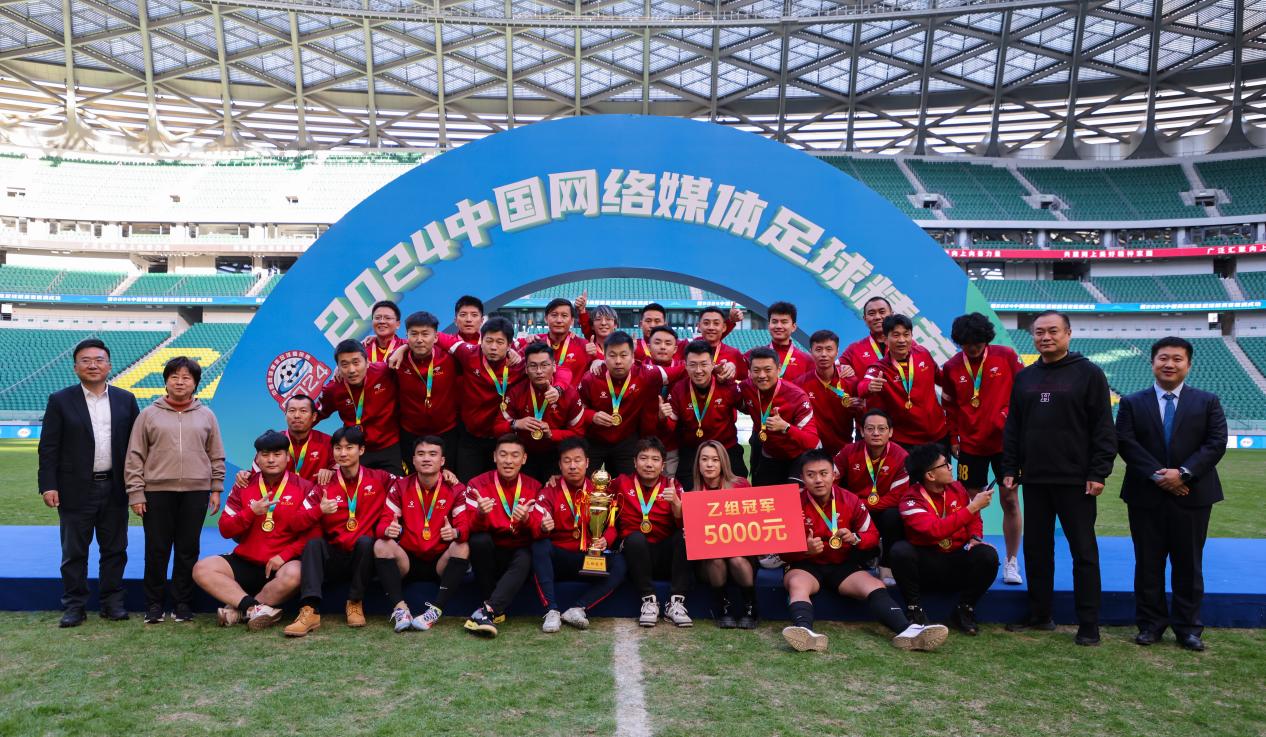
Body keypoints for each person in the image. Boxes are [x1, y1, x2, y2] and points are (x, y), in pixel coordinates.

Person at [1003, 310, 1116, 646]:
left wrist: (1098, 471)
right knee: (1037, 550)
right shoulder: (1025, 377)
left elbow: (1103, 428)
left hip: (1076, 481)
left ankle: (1089, 624)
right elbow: (1014, 427)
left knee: (1084, 552)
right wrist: (1010, 467)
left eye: (1053, 331)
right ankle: (1040, 615)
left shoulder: (1089, 374)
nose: (1046, 337)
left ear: (1068, 333)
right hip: (1035, 479)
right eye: (1039, 332)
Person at [1115, 336, 1227, 651]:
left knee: (1188, 564)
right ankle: (1150, 625)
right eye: (1163, 358)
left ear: (1188, 365)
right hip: (1145, 496)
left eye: (1177, 359)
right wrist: (1159, 475)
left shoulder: (1207, 401)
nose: (1169, 364)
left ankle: (1188, 628)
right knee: (1147, 563)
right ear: (1153, 363)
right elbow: (1125, 442)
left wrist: (1183, 474)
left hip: (1193, 495)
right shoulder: (1132, 402)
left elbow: (1215, 443)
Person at [780, 451, 948, 653]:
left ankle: (908, 631)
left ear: (834, 474)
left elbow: (872, 535)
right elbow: (782, 553)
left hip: (841, 565)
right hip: (805, 565)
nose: (818, 480)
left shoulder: (850, 500)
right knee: (797, 584)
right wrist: (805, 551)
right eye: (811, 475)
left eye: (824, 473)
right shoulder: (790, 502)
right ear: (802, 477)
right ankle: (804, 631)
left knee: (875, 585)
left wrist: (855, 538)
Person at [38, 338, 140, 627]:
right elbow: (48, 447)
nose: (93, 365)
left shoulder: (125, 399)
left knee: (115, 550)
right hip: (74, 489)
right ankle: (74, 606)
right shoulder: (60, 400)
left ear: (109, 365)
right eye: (85, 360)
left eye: (98, 360)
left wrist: (137, 486)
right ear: (75, 367)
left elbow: (137, 447)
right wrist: (48, 484)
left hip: (115, 487)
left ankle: (112, 603)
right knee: (74, 552)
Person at [125, 356, 226, 625]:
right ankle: (154, 604)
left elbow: (216, 454)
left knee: (187, 549)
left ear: (195, 383)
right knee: (156, 549)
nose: (180, 382)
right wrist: (136, 493)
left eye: (186, 378)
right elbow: (135, 456)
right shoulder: (148, 415)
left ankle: (182, 603)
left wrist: (216, 488)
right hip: (157, 492)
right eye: (174, 377)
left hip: (196, 492)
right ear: (166, 381)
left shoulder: (206, 415)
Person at [192, 430, 317, 631]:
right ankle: (254, 609)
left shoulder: (305, 487)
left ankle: (238, 609)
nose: (271, 460)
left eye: (277, 454)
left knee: (297, 574)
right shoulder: (243, 485)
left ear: (287, 457)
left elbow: (313, 534)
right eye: (265, 455)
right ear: (257, 459)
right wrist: (251, 512)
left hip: (281, 563)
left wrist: (284, 556)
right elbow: (225, 529)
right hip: (246, 561)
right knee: (202, 569)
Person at [284, 425, 394, 637]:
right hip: (333, 557)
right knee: (313, 544)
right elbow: (295, 522)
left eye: (349, 447)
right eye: (338, 448)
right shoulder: (324, 485)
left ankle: (354, 603)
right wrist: (319, 510)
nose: (343, 453)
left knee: (366, 542)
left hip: (363, 558)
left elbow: (410, 484)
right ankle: (309, 610)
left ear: (361, 450)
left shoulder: (380, 478)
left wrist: (443, 474)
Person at [940, 312, 1025, 586]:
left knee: (1009, 500)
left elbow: (1024, 393)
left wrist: (1007, 416)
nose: (972, 348)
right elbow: (950, 407)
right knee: (970, 502)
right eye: (966, 344)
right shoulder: (951, 367)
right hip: (971, 445)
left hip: (1006, 444)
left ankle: (1011, 561)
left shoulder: (1006, 356)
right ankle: (975, 553)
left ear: (986, 339)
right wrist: (953, 438)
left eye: (977, 343)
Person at [889, 443, 998, 636]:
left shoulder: (957, 488)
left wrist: (975, 538)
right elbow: (935, 531)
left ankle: (964, 610)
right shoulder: (910, 500)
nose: (950, 467)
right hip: (925, 566)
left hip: (955, 560)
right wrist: (973, 506)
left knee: (988, 555)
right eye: (945, 464)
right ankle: (915, 611)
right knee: (900, 551)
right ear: (930, 475)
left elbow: (974, 519)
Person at [372, 436, 473, 633]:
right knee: (381, 544)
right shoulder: (400, 486)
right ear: (413, 459)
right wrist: (387, 529)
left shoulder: (456, 488)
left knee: (462, 546)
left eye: (432, 454)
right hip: (407, 560)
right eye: (421, 454)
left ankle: (435, 611)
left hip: (440, 561)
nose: (426, 458)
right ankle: (401, 610)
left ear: (442, 461)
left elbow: (465, 528)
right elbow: (382, 524)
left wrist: (455, 532)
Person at [530, 438, 627, 632]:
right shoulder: (549, 491)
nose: (573, 466)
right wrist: (542, 525)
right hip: (558, 559)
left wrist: (605, 540)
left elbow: (611, 526)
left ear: (587, 462)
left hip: (588, 558)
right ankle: (551, 610)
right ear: (559, 465)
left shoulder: (600, 492)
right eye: (567, 461)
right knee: (539, 546)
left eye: (577, 460)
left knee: (621, 563)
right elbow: (536, 520)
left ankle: (578, 609)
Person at [463, 434, 543, 637]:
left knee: (526, 555)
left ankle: (487, 611)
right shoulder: (477, 484)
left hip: (517, 552)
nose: (508, 461)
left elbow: (539, 531)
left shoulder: (534, 487)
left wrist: (527, 519)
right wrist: (481, 514)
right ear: (494, 457)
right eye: (503, 454)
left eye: (515, 455)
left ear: (524, 459)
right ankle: (492, 606)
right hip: (490, 553)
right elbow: (467, 529)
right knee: (479, 541)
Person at [615, 437, 692, 628]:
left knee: (686, 537)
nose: (649, 464)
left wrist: (676, 504)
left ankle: (676, 603)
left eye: (655, 459)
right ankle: (649, 601)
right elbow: (592, 491)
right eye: (643, 458)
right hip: (635, 555)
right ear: (635, 462)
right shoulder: (621, 483)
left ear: (663, 464)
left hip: (664, 555)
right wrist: (557, 479)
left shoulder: (673, 485)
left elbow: (686, 523)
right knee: (635, 538)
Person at [691, 440, 758, 629]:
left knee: (736, 559)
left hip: (741, 555)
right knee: (716, 559)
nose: (709, 464)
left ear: (723, 463)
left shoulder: (741, 485)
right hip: (710, 561)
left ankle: (750, 607)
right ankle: (723, 608)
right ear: (698, 463)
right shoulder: (693, 492)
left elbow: (755, 520)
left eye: (715, 460)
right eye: (704, 459)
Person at [578, 331, 665, 477]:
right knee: (587, 484)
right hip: (595, 441)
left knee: (629, 484)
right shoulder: (590, 378)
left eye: (624, 355)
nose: (618, 361)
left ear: (632, 357)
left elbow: (682, 370)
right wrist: (592, 416)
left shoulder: (644, 375)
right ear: (604, 356)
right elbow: (578, 409)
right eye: (612, 355)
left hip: (627, 440)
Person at [833, 409, 909, 573]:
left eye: (882, 429)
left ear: (890, 432)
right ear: (861, 431)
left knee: (894, 516)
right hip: (854, 509)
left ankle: (887, 563)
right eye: (870, 428)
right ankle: (868, 553)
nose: (876, 433)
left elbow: (897, 497)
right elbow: (831, 482)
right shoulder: (848, 452)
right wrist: (850, 506)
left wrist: (860, 505)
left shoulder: (901, 456)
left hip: (881, 509)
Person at [498, 342, 586, 483]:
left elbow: (578, 433)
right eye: (533, 366)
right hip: (524, 454)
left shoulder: (569, 394)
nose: (539, 371)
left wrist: (552, 434)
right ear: (526, 369)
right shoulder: (516, 391)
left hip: (557, 454)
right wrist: (516, 424)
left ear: (554, 367)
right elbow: (497, 426)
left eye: (544, 365)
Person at [450, 317, 526, 481]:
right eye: (489, 341)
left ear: (509, 345)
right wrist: (404, 347)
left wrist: (558, 388)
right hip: (470, 438)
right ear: (481, 340)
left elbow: (558, 369)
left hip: (503, 440)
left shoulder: (520, 364)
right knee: (467, 486)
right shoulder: (469, 353)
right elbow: (436, 337)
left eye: (500, 342)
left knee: (500, 488)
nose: (493, 347)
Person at [665, 340, 745, 488]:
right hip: (692, 450)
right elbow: (671, 425)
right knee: (685, 491)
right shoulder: (678, 389)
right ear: (685, 365)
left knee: (740, 487)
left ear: (712, 364)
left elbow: (748, 407)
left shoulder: (727, 385)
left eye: (703, 364)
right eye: (693, 365)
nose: (698, 370)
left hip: (726, 448)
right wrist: (661, 416)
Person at [860, 314, 947, 450]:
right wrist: (869, 387)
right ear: (885, 339)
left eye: (906, 335)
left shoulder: (923, 353)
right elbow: (862, 386)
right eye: (896, 335)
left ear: (912, 336)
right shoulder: (879, 368)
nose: (902, 340)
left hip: (938, 435)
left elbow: (941, 377)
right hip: (905, 441)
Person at [317, 339, 401, 472]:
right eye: (344, 365)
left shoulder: (384, 372)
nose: (351, 370)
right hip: (356, 450)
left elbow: (417, 347)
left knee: (396, 484)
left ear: (367, 362)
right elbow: (315, 414)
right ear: (338, 367)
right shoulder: (333, 389)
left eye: (356, 363)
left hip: (390, 446)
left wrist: (404, 347)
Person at [739, 347, 818, 486]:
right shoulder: (746, 387)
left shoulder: (797, 396)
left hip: (798, 456)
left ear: (779, 369)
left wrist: (785, 427)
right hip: (770, 454)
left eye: (767, 370)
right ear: (750, 372)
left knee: (794, 495)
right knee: (764, 495)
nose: (762, 375)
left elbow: (812, 441)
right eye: (756, 370)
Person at [395, 310, 461, 469]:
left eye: (425, 334)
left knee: (447, 476)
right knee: (413, 478)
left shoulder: (450, 358)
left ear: (436, 337)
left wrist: (510, 352)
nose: (419, 339)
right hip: (410, 432)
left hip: (447, 431)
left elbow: (479, 355)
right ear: (407, 336)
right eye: (414, 334)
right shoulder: (397, 361)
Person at [796, 329, 863, 459]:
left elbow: (862, 418)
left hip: (844, 451)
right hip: (812, 452)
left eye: (829, 349)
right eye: (818, 349)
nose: (824, 354)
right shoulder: (800, 384)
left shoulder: (851, 381)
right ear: (811, 351)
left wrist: (860, 408)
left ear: (837, 352)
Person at [519, 297, 589, 388]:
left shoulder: (584, 346)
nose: (559, 320)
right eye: (554, 315)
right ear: (546, 318)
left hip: (571, 396)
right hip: (537, 396)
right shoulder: (535, 341)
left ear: (572, 321)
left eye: (564, 316)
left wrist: (597, 359)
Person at [746, 301, 813, 382]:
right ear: (769, 325)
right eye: (774, 322)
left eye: (784, 322)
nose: (778, 326)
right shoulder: (751, 355)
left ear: (793, 327)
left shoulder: (806, 360)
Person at [840, 296, 891, 396]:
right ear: (865, 319)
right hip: (870, 404)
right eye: (871, 313)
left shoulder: (907, 344)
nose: (877, 317)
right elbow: (831, 370)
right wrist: (843, 368)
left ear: (891, 314)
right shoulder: (855, 349)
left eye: (882, 312)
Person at [362, 299, 406, 363]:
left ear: (398, 324)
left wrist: (406, 347)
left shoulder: (406, 346)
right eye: (377, 318)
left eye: (388, 318)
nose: (382, 321)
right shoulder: (363, 348)